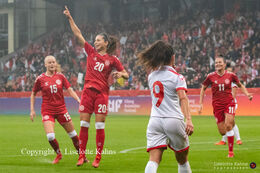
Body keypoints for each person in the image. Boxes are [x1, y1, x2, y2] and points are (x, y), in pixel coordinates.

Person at [63, 6, 129, 168]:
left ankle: (98, 157)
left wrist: (121, 75)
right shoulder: (90, 52)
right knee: (84, 125)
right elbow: (78, 34)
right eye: (95, 40)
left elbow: (126, 74)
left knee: (99, 126)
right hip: (87, 93)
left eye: (99, 40)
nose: (95, 42)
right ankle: (81, 156)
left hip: (101, 95)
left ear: (106, 43)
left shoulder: (113, 59)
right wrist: (70, 18)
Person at [137, 40, 193, 173]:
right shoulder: (177, 77)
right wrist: (189, 119)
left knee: (153, 159)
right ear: (172, 57)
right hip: (173, 120)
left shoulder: (151, 76)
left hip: (155, 120)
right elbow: (183, 98)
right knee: (182, 159)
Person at [198, 55, 252, 158]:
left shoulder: (231, 75)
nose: (217, 64)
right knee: (222, 132)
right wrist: (201, 103)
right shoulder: (210, 76)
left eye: (219, 62)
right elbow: (203, 88)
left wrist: (247, 94)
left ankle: (231, 152)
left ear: (224, 64)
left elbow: (240, 85)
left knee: (228, 125)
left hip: (229, 103)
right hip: (217, 106)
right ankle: (231, 124)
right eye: (216, 63)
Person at [30, 55, 81, 164]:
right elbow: (33, 93)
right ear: (45, 65)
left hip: (61, 110)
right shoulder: (40, 79)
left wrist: (78, 99)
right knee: (50, 136)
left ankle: (81, 156)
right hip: (47, 111)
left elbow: (70, 89)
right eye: (49, 62)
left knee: (73, 135)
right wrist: (32, 110)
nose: (52, 64)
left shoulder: (61, 76)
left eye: (53, 62)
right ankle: (58, 154)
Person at [215, 62, 242, 145]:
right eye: (228, 71)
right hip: (225, 103)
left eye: (231, 71)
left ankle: (227, 140)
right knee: (230, 123)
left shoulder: (233, 80)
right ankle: (236, 139)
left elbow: (233, 94)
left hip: (231, 103)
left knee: (228, 123)